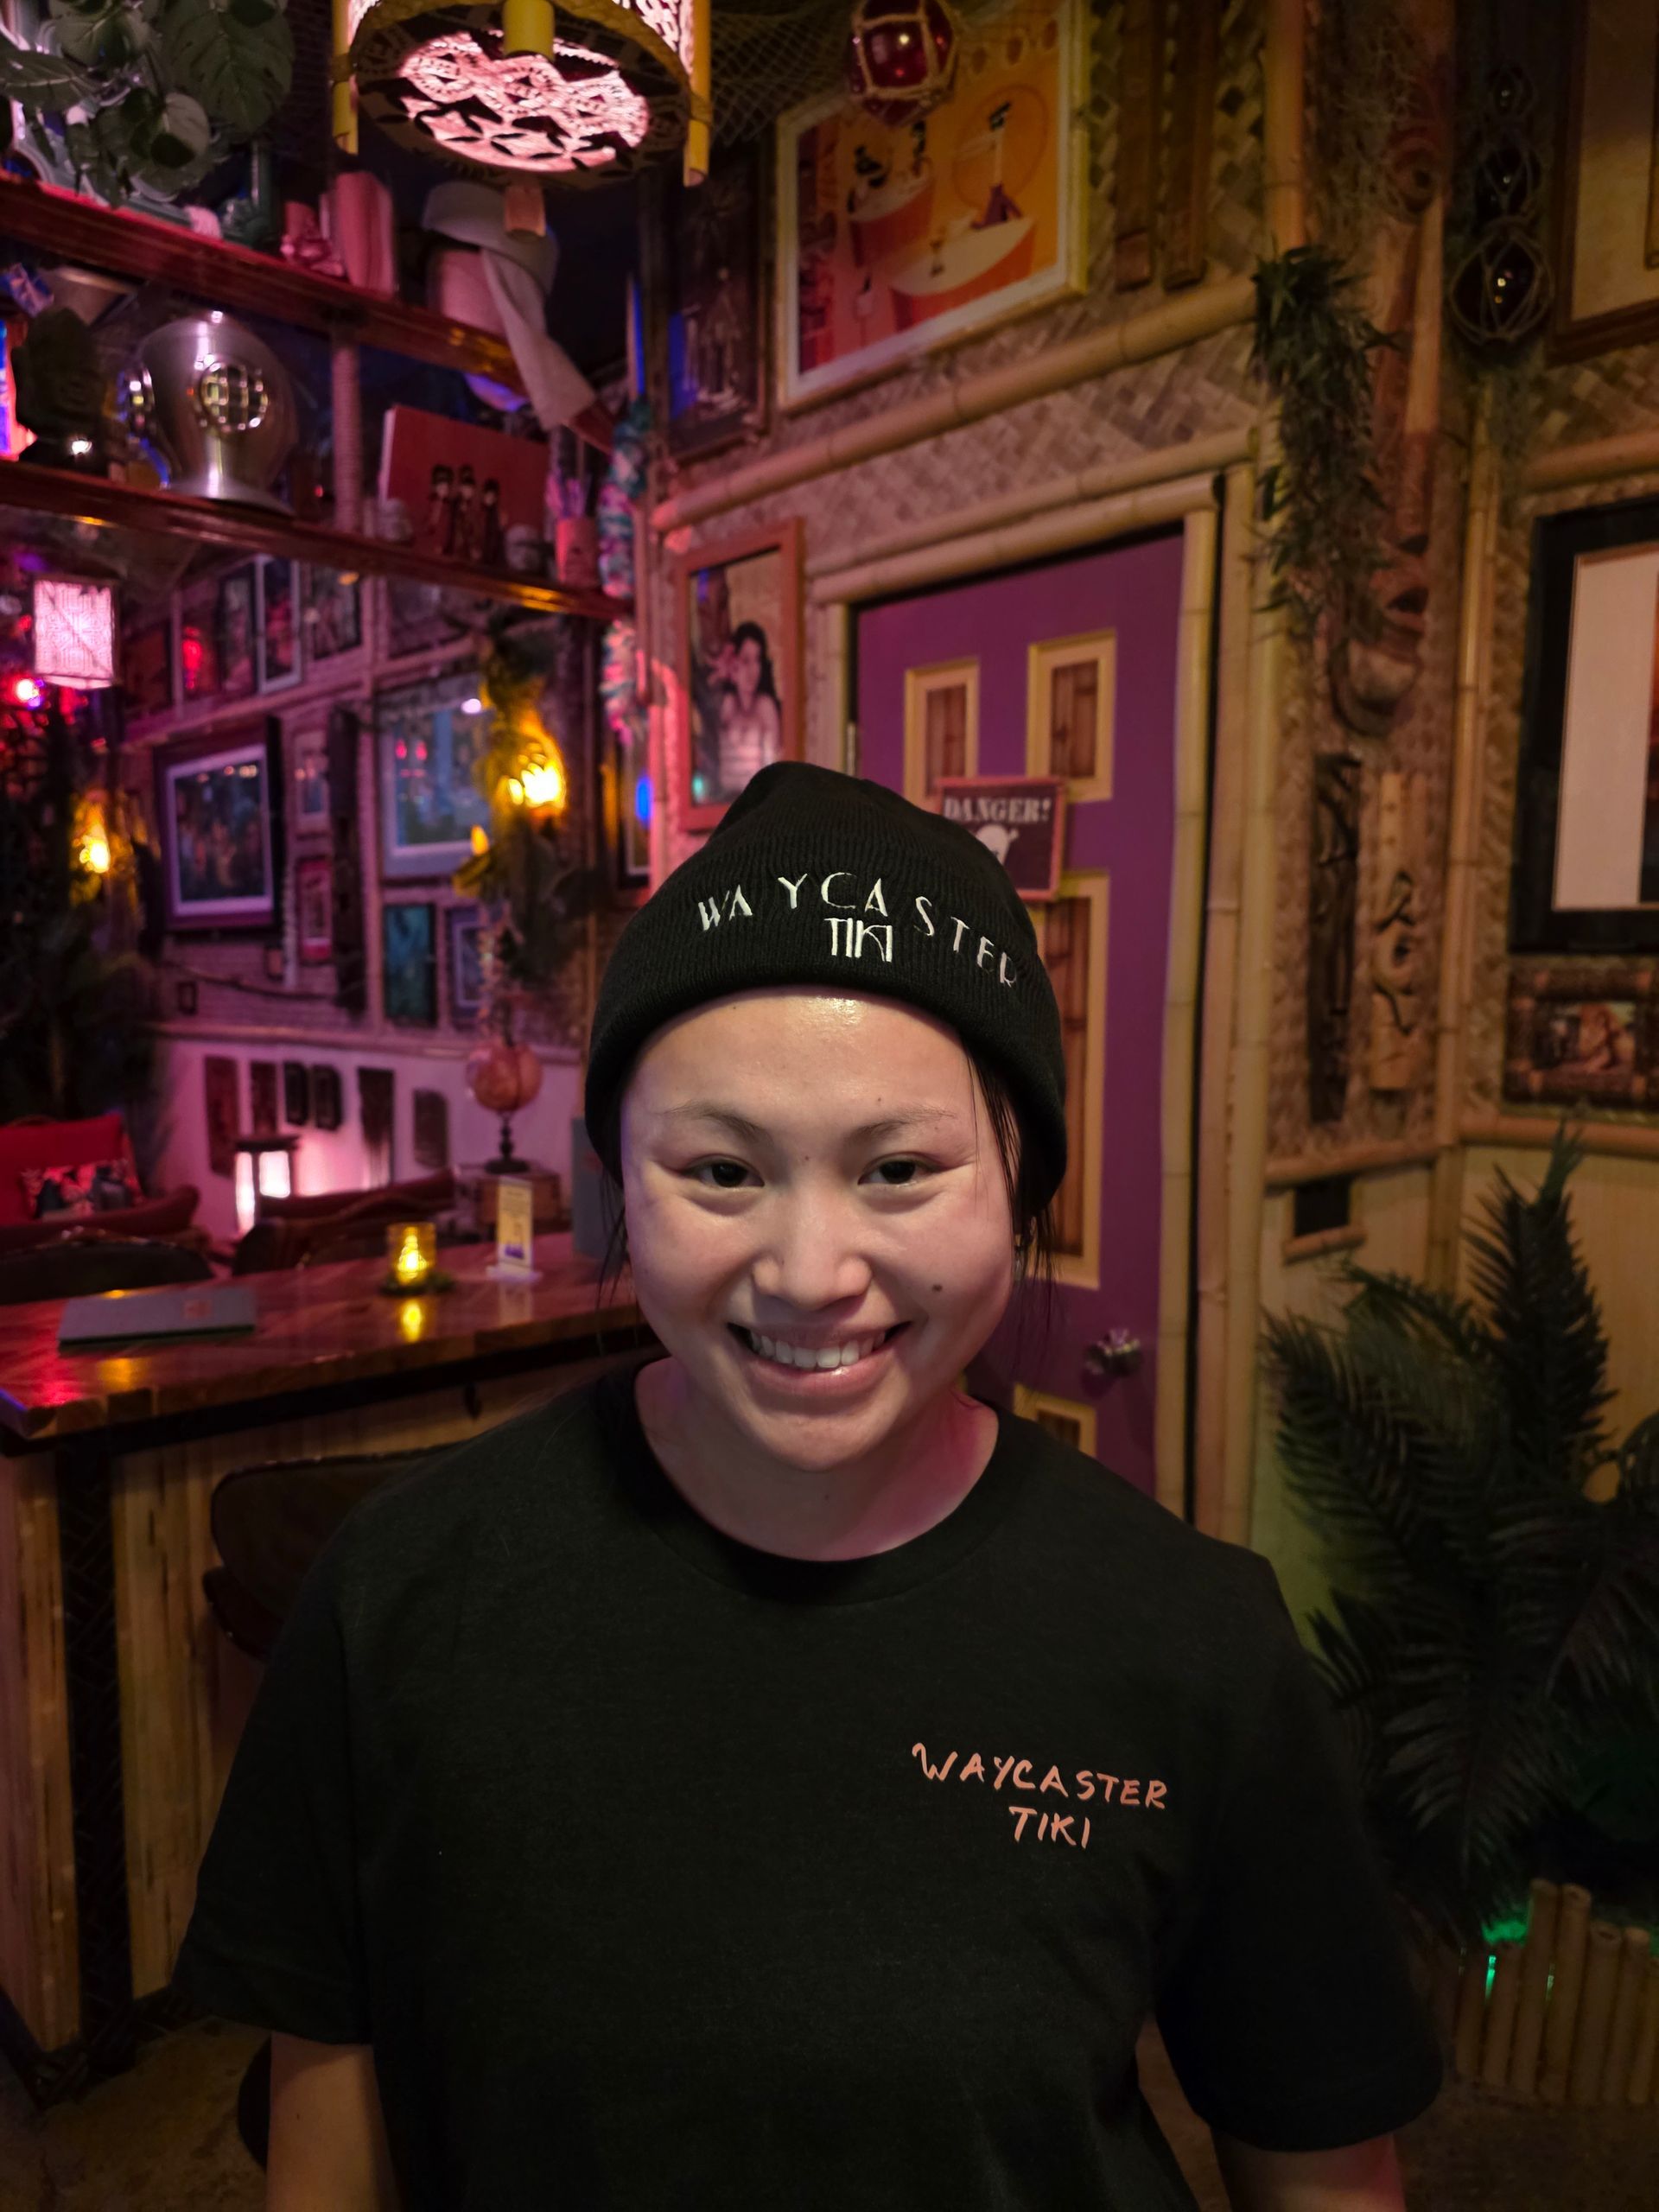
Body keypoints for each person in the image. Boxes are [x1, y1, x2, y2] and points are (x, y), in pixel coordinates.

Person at [169, 762, 1441, 2209]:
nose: (811, 1274)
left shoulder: (1194, 1641)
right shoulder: (399, 1601)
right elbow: (330, 2164)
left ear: (1022, 1185)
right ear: (618, 1186)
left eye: (900, 1168)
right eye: (722, 1171)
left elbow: (1326, 2172)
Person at [715, 619, 782, 794]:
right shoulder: (726, 704)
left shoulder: (765, 706)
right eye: (746, 660)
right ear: (733, 665)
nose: (753, 669)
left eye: (757, 660)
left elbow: (773, 768)